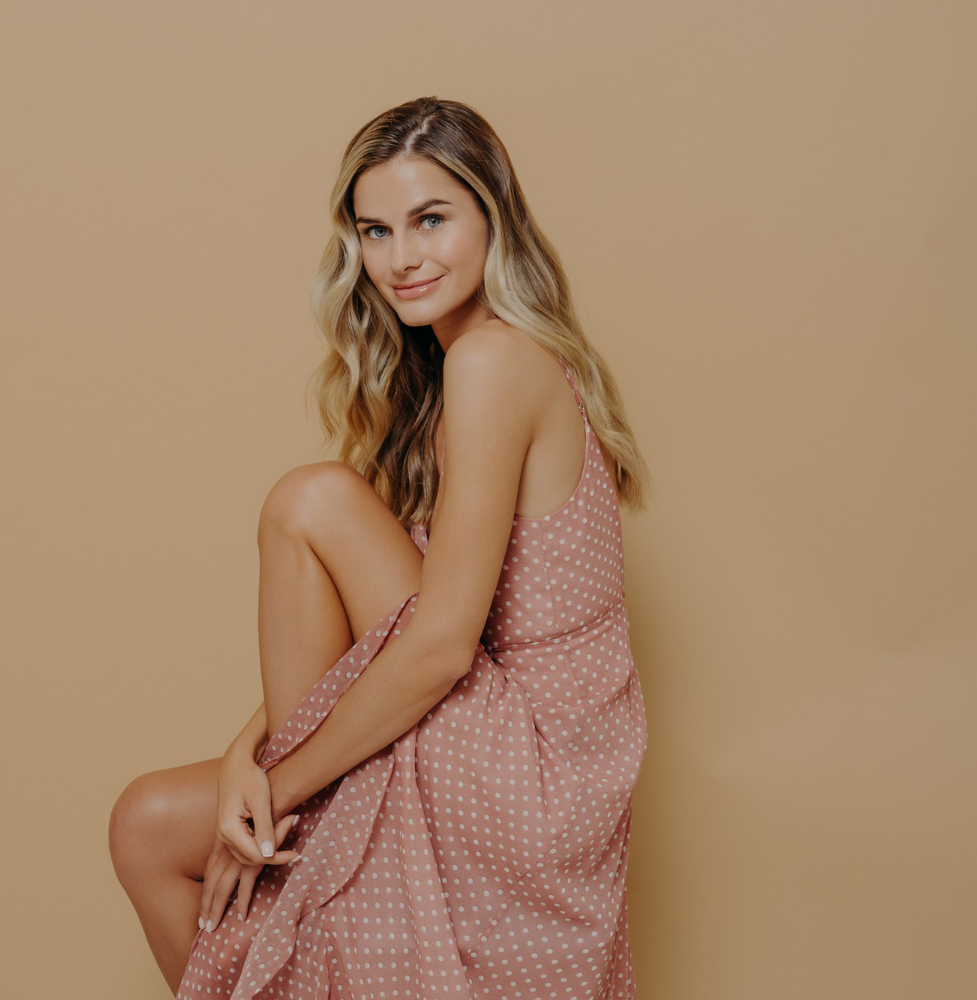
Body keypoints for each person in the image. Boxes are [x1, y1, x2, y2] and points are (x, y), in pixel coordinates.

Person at [109, 95, 651, 999]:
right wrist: (254, 750)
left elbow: (438, 645)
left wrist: (282, 786)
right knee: (149, 826)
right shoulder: (444, 377)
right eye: (376, 230)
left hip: (536, 771)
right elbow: (387, 630)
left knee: (309, 499)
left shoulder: (496, 362)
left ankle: (307, 850)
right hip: (471, 717)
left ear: (493, 217)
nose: (402, 258)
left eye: (431, 220)